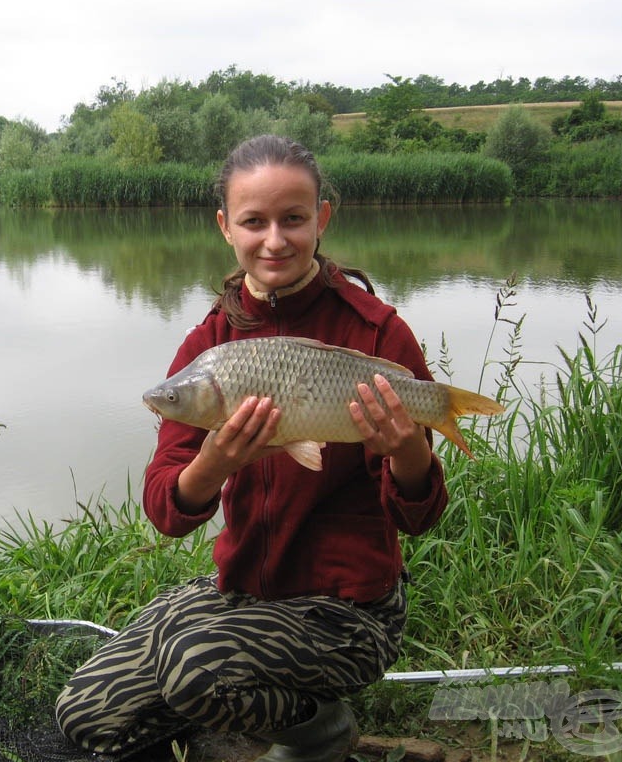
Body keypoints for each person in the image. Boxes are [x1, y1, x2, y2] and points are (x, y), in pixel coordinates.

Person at [55, 135, 449, 762]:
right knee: (86, 711)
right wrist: (217, 462)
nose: (275, 240)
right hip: (241, 590)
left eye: (293, 219)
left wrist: (409, 454)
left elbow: (420, 516)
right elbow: (164, 509)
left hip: (349, 612)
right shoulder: (212, 344)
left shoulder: (376, 334)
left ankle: (320, 732)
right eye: (253, 221)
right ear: (225, 228)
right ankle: (213, 729)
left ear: (321, 217)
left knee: (194, 669)